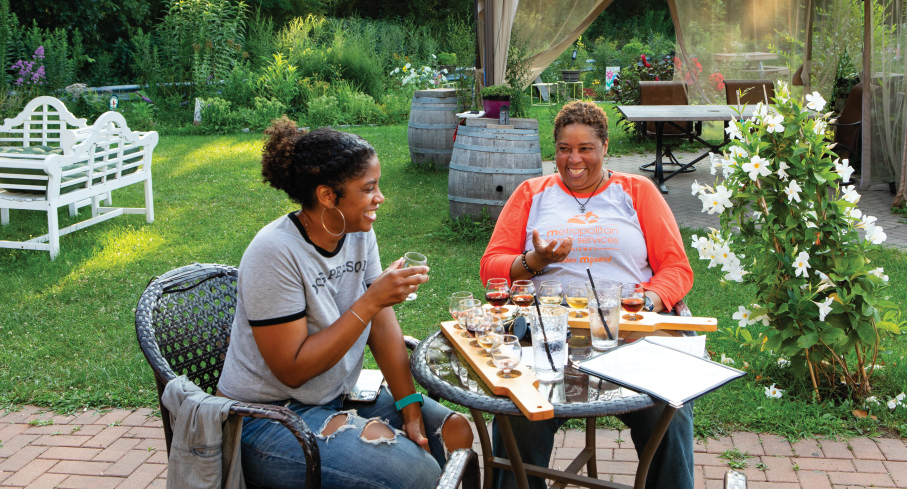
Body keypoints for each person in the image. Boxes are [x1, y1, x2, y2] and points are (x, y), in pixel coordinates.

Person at [218, 118, 473, 489]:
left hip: (335, 398)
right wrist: (370, 301)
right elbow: (292, 370)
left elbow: (382, 326)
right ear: (327, 196)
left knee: (456, 432)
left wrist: (410, 408)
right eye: (368, 188)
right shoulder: (274, 253)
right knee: (416, 473)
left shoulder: (356, 233)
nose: (380, 198)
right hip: (266, 420)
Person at [480, 100, 695, 489]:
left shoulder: (638, 191)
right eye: (564, 149)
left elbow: (676, 268)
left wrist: (644, 304)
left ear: (605, 147)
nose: (573, 159)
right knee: (516, 415)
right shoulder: (532, 193)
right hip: (548, 333)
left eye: (585, 149)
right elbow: (491, 267)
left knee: (671, 408)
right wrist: (534, 260)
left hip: (629, 332)